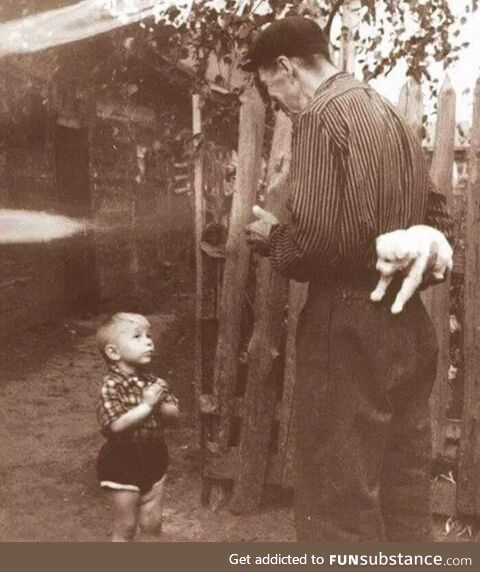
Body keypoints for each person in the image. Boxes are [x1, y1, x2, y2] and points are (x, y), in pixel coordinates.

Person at [243, 17, 453, 542]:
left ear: (286, 69)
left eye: (272, 91)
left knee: (337, 494)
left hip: (347, 322)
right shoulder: (388, 113)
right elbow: (437, 217)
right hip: (407, 321)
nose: (280, 106)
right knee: (404, 482)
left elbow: (314, 244)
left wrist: (273, 239)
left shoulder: (320, 115)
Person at [95, 312, 179, 542]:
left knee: (153, 523)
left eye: (148, 335)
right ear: (113, 352)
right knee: (127, 525)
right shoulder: (111, 385)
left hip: (154, 456)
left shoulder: (155, 382)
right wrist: (147, 405)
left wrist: (160, 403)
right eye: (137, 337)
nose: (148, 341)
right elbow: (115, 426)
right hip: (122, 462)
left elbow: (174, 417)